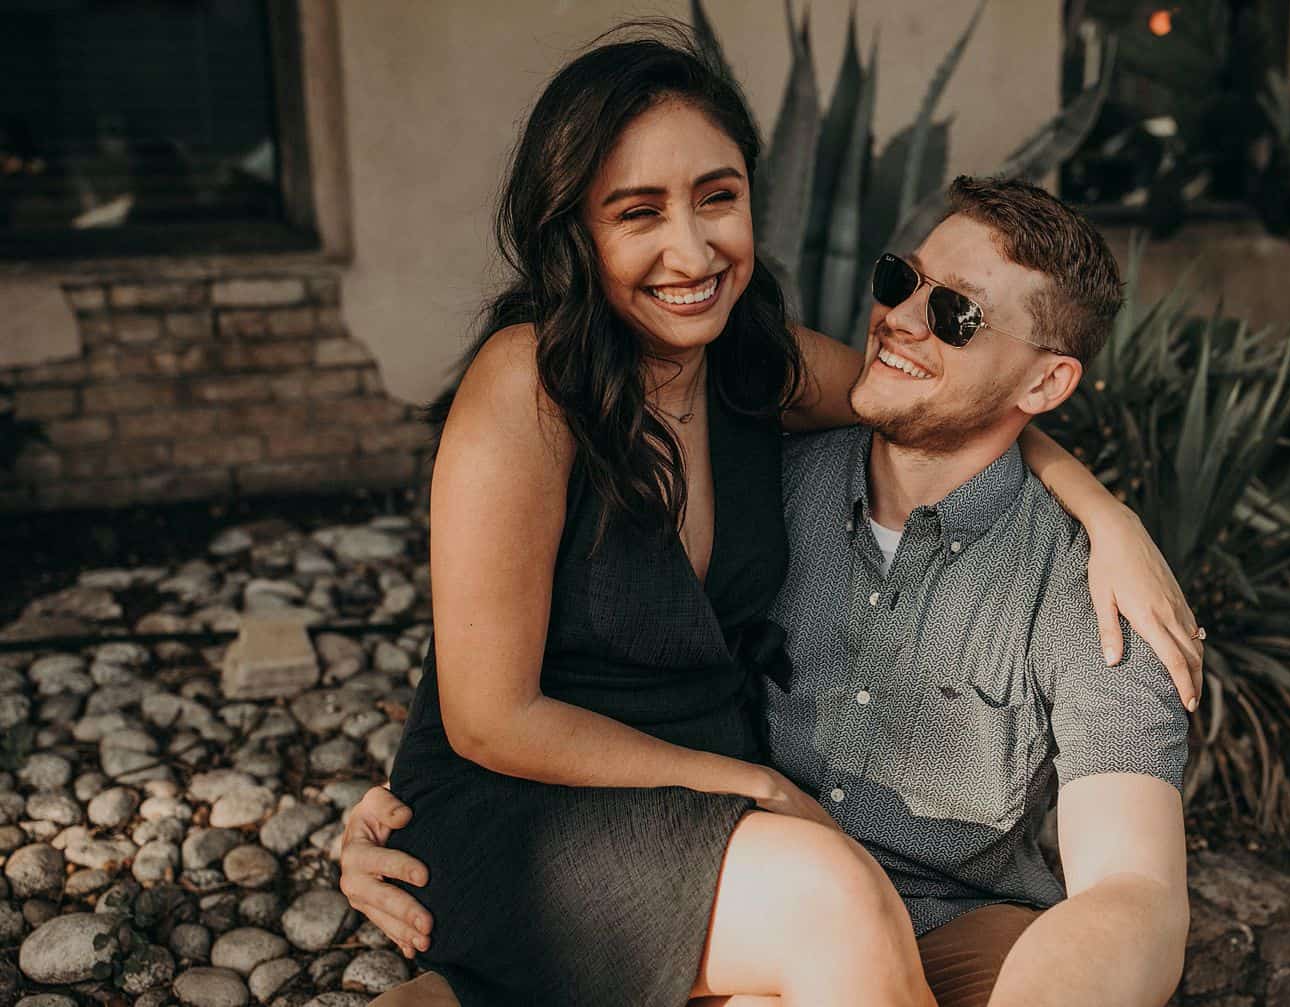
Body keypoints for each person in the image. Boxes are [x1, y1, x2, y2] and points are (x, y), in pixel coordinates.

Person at [346, 25, 1202, 1007]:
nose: (692, 247)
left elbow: (947, 411)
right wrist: (746, 785)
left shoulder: (756, 368)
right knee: (829, 895)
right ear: (577, 229)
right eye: (638, 212)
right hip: (543, 804)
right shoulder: (531, 382)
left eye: (718, 196)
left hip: (711, 825)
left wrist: (1107, 516)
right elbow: (490, 717)